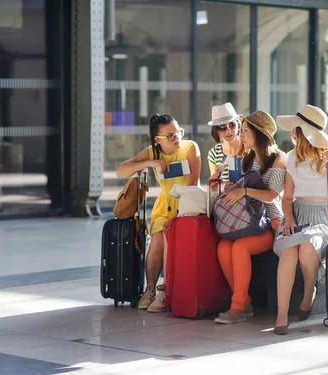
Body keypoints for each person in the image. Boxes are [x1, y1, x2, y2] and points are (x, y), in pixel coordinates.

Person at [272, 105, 328, 335]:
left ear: (302, 132)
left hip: (325, 216)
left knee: (307, 246)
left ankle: (309, 293)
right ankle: (281, 316)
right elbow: (286, 198)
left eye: (294, 130)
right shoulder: (292, 158)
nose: (291, 134)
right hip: (298, 214)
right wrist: (288, 220)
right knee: (290, 250)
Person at [115, 114, 201, 312]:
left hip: (186, 203)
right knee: (157, 241)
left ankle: (166, 289)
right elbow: (121, 171)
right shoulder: (152, 152)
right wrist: (149, 163)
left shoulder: (190, 148)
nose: (177, 138)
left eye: (178, 132)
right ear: (158, 140)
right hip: (164, 205)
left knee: (168, 236)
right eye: (170, 135)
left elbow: (192, 185)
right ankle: (150, 289)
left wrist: (178, 215)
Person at [214, 110, 286, 324]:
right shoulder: (247, 159)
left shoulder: (278, 159)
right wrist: (233, 187)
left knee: (239, 247)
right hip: (250, 221)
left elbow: (273, 196)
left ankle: (237, 307)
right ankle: (244, 302)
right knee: (223, 247)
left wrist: (244, 192)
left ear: (259, 134)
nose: (241, 134)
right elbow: (244, 188)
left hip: (271, 225)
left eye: (245, 130)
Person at [207, 102, 242, 184]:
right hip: (228, 195)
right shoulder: (214, 153)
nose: (228, 130)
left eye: (231, 124)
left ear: (238, 125)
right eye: (222, 127)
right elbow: (214, 185)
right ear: (216, 131)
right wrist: (215, 185)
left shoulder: (249, 147)